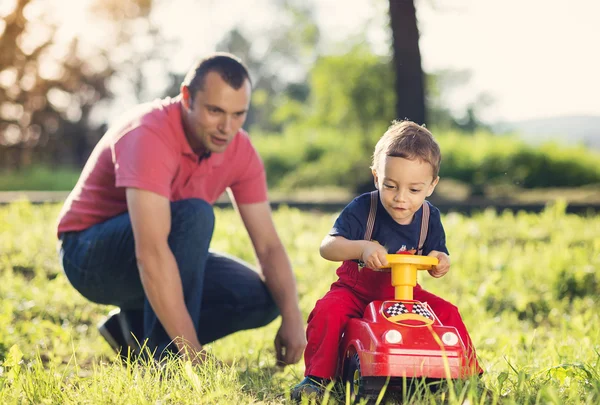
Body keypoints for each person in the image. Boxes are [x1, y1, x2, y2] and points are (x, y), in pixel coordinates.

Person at [56, 52, 306, 365]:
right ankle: (168, 359)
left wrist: (293, 318)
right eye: (215, 111)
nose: (226, 127)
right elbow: (151, 252)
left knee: (262, 299)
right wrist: (192, 352)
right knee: (195, 215)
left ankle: (131, 332)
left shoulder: (239, 149)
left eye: (238, 114)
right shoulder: (149, 132)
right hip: (90, 256)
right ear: (187, 97)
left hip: (156, 248)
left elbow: (268, 246)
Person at [290, 120, 482, 400]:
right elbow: (328, 247)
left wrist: (440, 261)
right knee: (327, 311)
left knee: (448, 313)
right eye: (391, 186)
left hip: (405, 296)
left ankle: (468, 378)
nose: (401, 198)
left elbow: (437, 252)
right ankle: (318, 379)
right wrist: (362, 248)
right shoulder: (363, 208)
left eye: (414, 190)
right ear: (377, 177)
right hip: (355, 293)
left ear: (431, 185)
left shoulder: (429, 217)